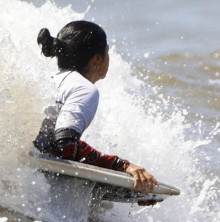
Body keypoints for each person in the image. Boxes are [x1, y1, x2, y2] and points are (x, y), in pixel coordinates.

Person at [32, 20, 157, 194]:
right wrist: (122, 166)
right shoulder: (84, 88)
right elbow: (64, 144)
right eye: (107, 51)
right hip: (36, 174)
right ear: (97, 59)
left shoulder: (50, 79)